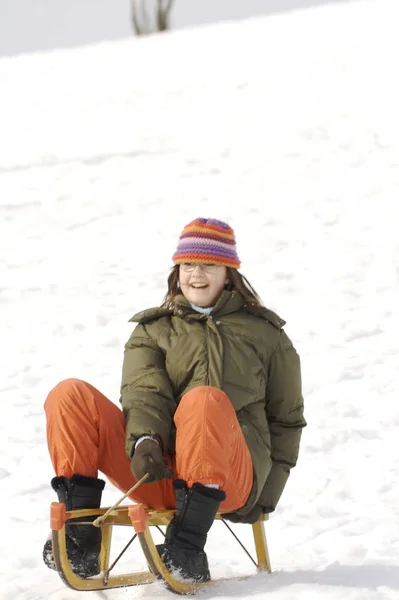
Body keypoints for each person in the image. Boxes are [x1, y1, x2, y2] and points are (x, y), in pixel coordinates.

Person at [42, 217, 306, 583]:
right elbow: (143, 392)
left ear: (228, 272)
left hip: (230, 480)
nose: (196, 275)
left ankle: (187, 546)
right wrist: (146, 442)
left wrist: (265, 496)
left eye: (208, 265)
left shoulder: (266, 335)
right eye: (188, 265)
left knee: (204, 400)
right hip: (158, 472)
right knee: (70, 395)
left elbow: (287, 419)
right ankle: (80, 533)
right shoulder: (152, 330)